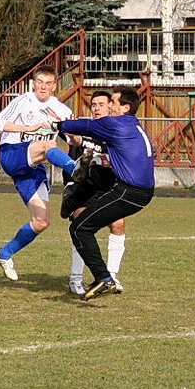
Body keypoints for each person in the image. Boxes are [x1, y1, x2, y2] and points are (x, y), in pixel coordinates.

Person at [54, 86, 154, 301]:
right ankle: (89, 277)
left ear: (125, 108)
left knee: (81, 228)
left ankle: (104, 278)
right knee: (82, 222)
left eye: (112, 102)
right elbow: (82, 141)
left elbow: (86, 127)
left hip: (127, 191)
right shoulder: (133, 126)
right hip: (129, 189)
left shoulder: (114, 124)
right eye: (97, 105)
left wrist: (57, 124)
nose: (107, 106)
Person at [0, 65, 80, 281]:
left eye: (48, 83)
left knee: (41, 221)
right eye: (40, 82)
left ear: (54, 86)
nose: (43, 87)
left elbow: (73, 138)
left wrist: (76, 133)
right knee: (48, 146)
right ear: (34, 83)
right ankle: (77, 172)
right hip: (12, 154)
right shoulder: (23, 100)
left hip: (33, 166)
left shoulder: (61, 110)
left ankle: (4, 254)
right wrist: (26, 130)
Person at [60, 91, 127, 296]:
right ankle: (76, 278)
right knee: (80, 220)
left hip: (104, 186)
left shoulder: (115, 132)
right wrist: (71, 134)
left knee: (118, 223)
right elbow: (76, 141)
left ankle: (111, 276)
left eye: (101, 104)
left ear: (110, 107)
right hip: (79, 185)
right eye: (93, 104)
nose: (96, 108)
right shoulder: (86, 128)